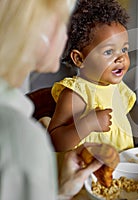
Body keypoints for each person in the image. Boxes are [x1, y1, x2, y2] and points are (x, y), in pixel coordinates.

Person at [0, 0, 119, 199]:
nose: (66, 37)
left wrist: (62, 192)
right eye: (63, 24)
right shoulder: (21, 140)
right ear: (37, 34)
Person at [48, 0, 136, 152]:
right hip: (89, 173)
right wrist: (87, 124)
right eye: (109, 52)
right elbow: (55, 142)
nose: (121, 58)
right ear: (80, 59)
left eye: (124, 49)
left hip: (122, 168)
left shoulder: (116, 87)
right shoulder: (76, 94)